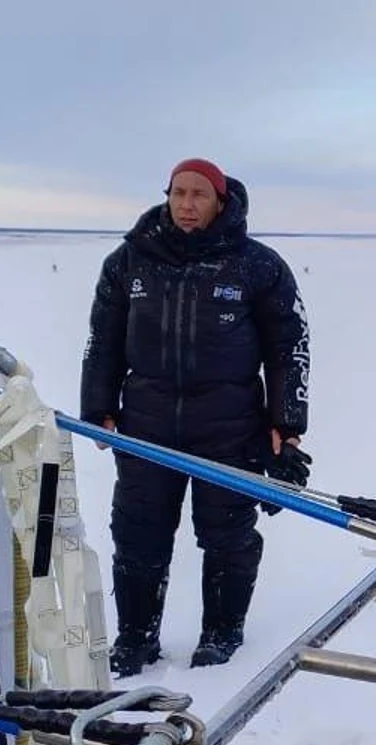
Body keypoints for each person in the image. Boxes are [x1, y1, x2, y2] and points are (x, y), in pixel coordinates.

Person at [80, 157, 312, 675]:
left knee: (228, 536)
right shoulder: (130, 261)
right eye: (178, 193)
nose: (186, 204)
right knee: (138, 535)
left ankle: (222, 634)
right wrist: (97, 407)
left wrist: (286, 421)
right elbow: (102, 340)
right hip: (146, 425)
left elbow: (288, 345)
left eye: (199, 195)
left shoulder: (257, 266)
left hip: (231, 426)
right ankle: (135, 640)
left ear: (220, 201)